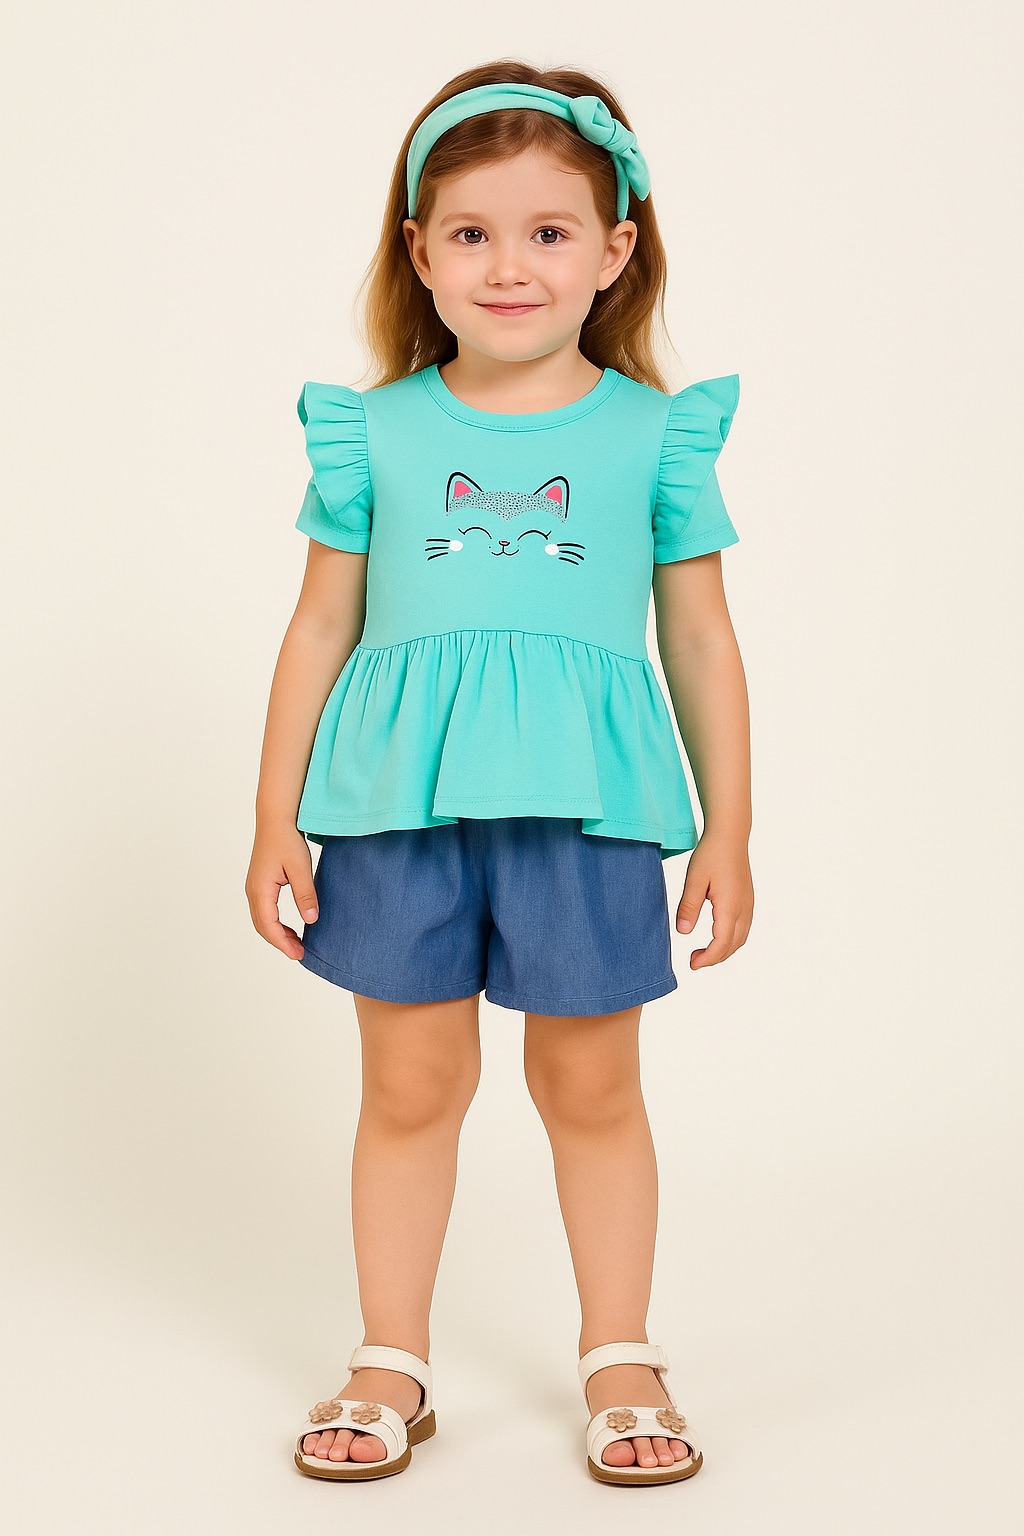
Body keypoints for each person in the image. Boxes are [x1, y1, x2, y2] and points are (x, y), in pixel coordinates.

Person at [246, 59, 754, 1488]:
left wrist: (728, 830)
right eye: (471, 232)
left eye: (548, 232)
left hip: (585, 810)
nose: (509, 265)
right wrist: (275, 814)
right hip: (395, 806)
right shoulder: (375, 431)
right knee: (409, 1086)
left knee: (592, 1088)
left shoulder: (654, 435)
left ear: (614, 250)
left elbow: (699, 638)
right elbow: (320, 624)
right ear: (420, 252)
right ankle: (390, 1360)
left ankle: (621, 1354)